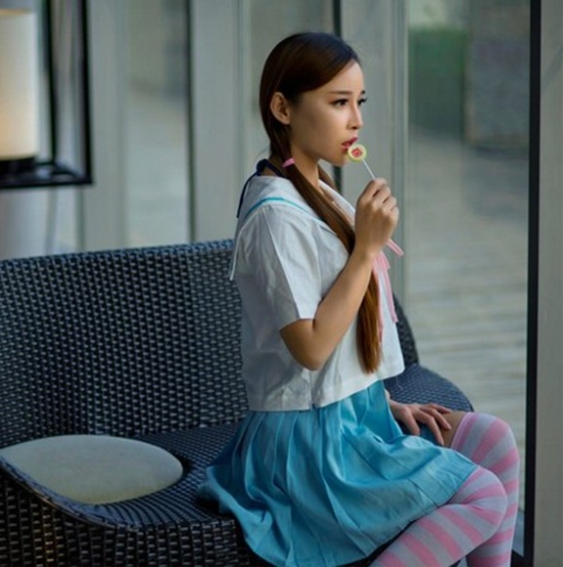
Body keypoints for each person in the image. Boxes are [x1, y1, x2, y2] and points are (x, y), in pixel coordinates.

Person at [197, 32, 520, 567]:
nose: (356, 120)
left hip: (348, 417)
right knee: (482, 494)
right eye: (339, 102)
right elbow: (312, 349)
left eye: (359, 102)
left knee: (495, 441)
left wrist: (378, 402)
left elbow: (332, 357)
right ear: (282, 108)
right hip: (306, 451)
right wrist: (367, 245)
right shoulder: (275, 216)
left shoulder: (316, 187)